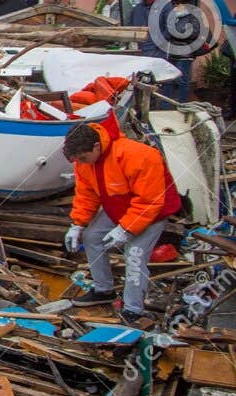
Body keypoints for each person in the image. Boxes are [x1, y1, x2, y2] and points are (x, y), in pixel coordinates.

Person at [62, 121, 181, 325]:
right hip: (117, 206)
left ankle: (133, 309)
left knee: (134, 255)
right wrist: (78, 224)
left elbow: (149, 201)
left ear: (96, 146)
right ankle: (103, 289)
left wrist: (125, 229)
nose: (82, 162)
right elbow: (86, 194)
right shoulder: (85, 162)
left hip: (153, 212)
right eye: (78, 160)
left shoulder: (139, 155)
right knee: (91, 237)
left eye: (83, 157)